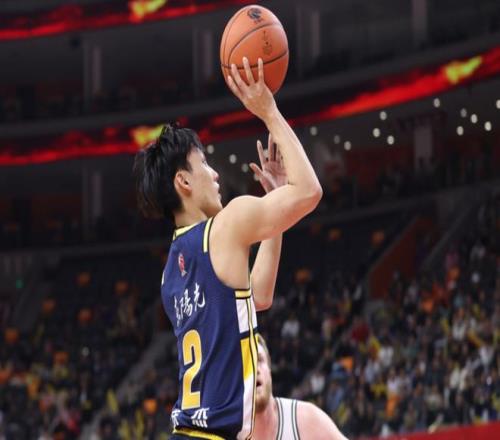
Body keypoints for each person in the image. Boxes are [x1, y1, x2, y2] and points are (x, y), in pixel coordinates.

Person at [134, 57, 322, 440]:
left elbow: (259, 297)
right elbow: (308, 191)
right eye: (204, 164)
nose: (216, 173)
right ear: (184, 182)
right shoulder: (225, 228)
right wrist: (269, 111)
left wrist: (273, 212)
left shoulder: (170, 274)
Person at [254, 337, 348, 440]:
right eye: (247, 365)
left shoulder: (307, 419)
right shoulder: (238, 432)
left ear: (269, 368)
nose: (255, 369)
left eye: (259, 360)